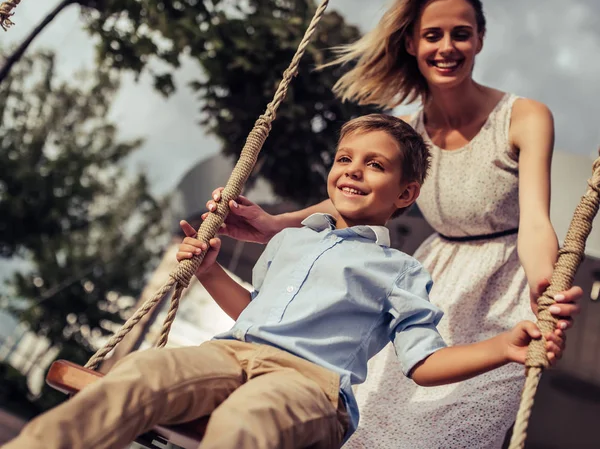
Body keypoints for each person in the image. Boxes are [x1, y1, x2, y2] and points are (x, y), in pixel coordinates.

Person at [4, 114, 563, 449]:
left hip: (311, 388)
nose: (352, 169)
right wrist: (207, 271)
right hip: (231, 356)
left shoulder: (402, 270)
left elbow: (423, 362)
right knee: (144, 371)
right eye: (346, 157)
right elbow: (252, 310)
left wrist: (502, 348)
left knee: (248, 422)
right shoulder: (290, 240)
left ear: (405, 193)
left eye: (375, 164)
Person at [201, 0, 583, 449]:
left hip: (506, 288)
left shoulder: (525, 116)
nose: (447, 47)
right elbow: (353, 194)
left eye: (461, 34)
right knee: (378, 427)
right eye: (432, 35)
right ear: (411, 43)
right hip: (432, 279)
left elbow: (536, 221)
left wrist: (545, 282)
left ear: (480, 38)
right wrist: (278, 223)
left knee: (456, 431)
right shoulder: (405, 130)